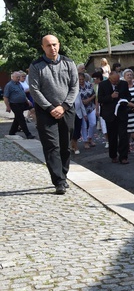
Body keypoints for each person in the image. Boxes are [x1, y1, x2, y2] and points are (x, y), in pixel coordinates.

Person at [27, 35, 79, 194]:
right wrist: (50, 108)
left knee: (65, 145)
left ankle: (63, 174)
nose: (52, 48)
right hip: (45, 112)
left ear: (59, 45)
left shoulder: (68, 63)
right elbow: (34, 90)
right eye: (48, 45)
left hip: (67, 109)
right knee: (52, 147)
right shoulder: (36, 66)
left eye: (54, 44)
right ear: (43, 47)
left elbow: (74, 86)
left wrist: (63, 106)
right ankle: (58, 181)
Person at [98, 70, 132, 164]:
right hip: (110, 114)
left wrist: (124, 100)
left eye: (117, 81)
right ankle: (113, 155)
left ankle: (123, 156)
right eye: (114, 81)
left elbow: (129, 96)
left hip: (121, 113)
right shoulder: (103, 85)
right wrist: (111, 96)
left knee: (123, 135)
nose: (116, 83)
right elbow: (100, 99)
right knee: (112, 136)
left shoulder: (123, 84)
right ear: (109, 78)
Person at [4, 71, 35, 139]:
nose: (18, 78)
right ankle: (28, 134)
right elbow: (5, 97)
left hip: (23, 103)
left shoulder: (19, 84)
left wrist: (27, 100)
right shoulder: (9, 85)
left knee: (30, 110)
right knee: (21, 118)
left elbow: (22, 93)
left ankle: (12, 132)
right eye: (17, 77)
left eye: (19, 77)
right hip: (15, 104)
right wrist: (7, 106)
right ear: (12, 77)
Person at [78, 72, 97, 149]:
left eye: (82, 79)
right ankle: (85, 141)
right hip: (81, 108)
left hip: (90, 106)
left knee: (93, 123)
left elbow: (94, 94)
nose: (81, 81)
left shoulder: (89, 85)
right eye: (79, 79)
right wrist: (82, 101)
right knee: (84, 126)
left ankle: (90, 138)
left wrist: (89, 99)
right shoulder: (75, 87)